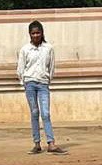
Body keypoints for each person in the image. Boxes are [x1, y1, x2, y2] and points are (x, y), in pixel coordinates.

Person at [16, 20, 67, 154]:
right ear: (30, 34)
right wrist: (24, 82)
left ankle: (51, 143)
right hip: (30, 83)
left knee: (45, 113)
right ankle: (37, 143)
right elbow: (20, 68)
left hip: (43, 83)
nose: (36, 35)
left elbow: (51, 66)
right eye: (33, 33)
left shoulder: (48, 48)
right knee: (34, 113)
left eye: (38, 32)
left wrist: (47, 79)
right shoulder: (25, 49)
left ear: (42, 33)